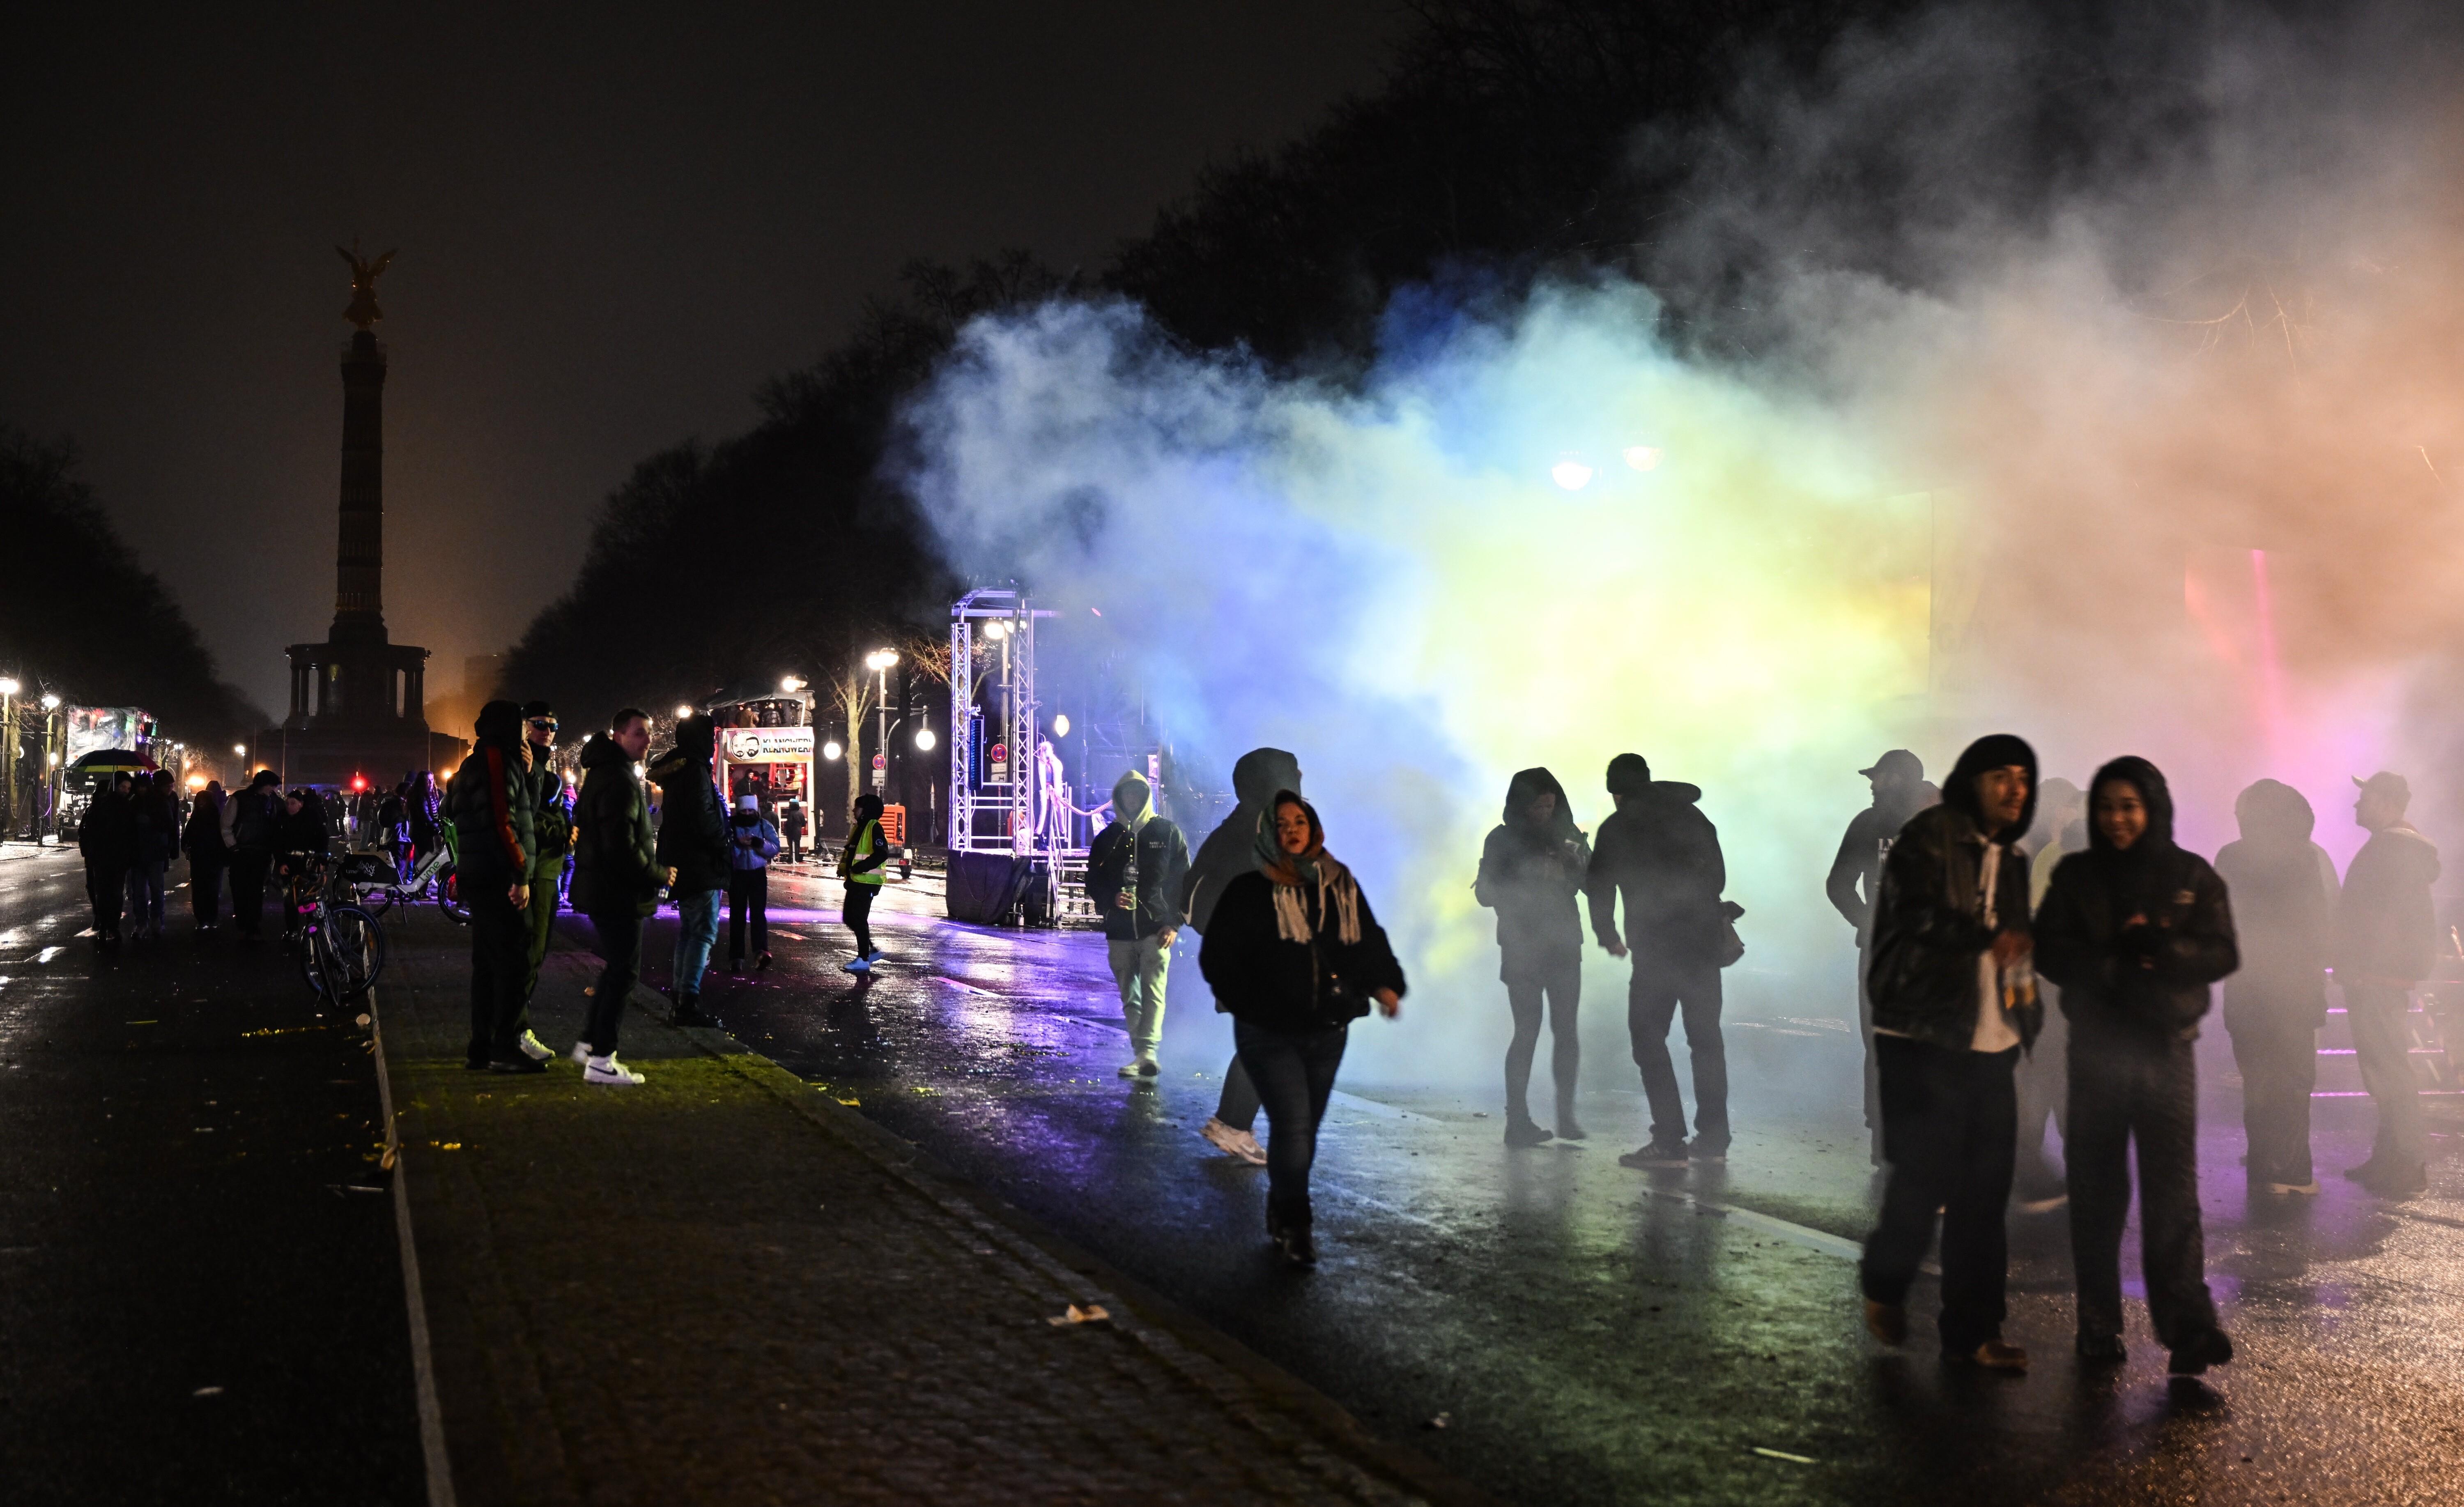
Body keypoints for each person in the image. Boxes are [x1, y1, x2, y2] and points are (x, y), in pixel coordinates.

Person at [2035, 757, 2238, 1376]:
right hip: (2097, 1051)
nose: (2117, 819)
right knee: (2097, 1193)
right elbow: (2049, 951)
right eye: (2107, 808)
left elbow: (2222, 951)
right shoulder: (2077, 876)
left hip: (2167, 1050)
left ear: (2153, 807)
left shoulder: (2191, 874)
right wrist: (2110, 963)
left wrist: (2166, 950)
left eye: (2129, 807)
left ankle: (2189, 1329)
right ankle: (2099, 1324)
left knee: (2173, 1194)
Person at [1858, 734, 2042, 1371]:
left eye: (2023, 777)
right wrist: (1985, 936)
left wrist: (2028, 1013)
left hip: (1993, 1042)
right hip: (1925, 1035)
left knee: (1985, 1194)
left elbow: (2018, 945)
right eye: (2001, 776)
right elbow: (1917, 914)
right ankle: (1886, 1280)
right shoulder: (1927, 838)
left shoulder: (2013, 857)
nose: (2015, 789)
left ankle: (1975, 1330)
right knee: (1926, 1176)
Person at [1198, 791, 1406, 1268]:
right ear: (1269, 835)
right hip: (1268, 1033)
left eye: (1299, 822)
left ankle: (1281, 1205)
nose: (1292, 830)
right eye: (1282, 824)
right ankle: (1297, 1225)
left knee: (1304, 1131)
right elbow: (1219, 958)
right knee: (1292, 1126)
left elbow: (1366, 940)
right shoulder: (1249, 890)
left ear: (1313, 828)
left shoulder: (1339, 883)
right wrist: (1251, 1004)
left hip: (1327, 1030)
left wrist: (1384, 985)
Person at [1588, 753, 1734, 1169]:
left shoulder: (1617, 828)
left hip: (1656, 950)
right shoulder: (1693, 817)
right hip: (1703, 946)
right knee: (1706, 1041)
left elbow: (1600, 886)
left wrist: (1608, 936)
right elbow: (1719, 879)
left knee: (1648, 1037)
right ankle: (1714, 1138)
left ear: (1617, 792)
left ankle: (1669, 1141)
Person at [1179, 747, 1306, 1167]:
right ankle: (1233, 1126)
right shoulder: (1266, 827)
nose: (1301, 778)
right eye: (1292, 773)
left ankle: (1234, 1124)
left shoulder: (1241, 824)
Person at [2214, 780, 2337, 1197]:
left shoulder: (2230, 857)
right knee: (2294, 1082)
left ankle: (2264, 1166)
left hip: (2245, 991)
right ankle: (2293, 1173)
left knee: (2258, 1081)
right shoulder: (2305, 857)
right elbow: (2319, 924)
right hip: (2295, 993)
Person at [1825, 749, 1935, 1167]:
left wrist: (1869, 924)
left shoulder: (1931, 823)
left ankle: (1891, 1138)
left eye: (1880, 777)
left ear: (1901, 779)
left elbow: (1838, 885)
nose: (1872, 785)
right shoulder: (1875, 823)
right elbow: (1838, 884)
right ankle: (1894, 1137)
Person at [2334, 770, 2440, 1199]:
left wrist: (2361, 966)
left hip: (2377, 978)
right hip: (2379, 976)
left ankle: (2409, 1165)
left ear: (2385, 802)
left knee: (2391, 1073)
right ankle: (2389, 1158)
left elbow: (2374, 919)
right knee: (2385, 1071)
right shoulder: (2397, 849)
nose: (2357, 805)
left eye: (2365, 798)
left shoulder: (2391, 850)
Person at [1476, 767, 1591, 1145]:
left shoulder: (1568, 836)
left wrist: (1575, 865)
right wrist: (1522, 881)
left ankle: (1566, 1117)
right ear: (1522, 806)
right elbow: (1484, 894)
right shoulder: (1502, 839)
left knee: (1566, 1031)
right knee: (1526, 1031)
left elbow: (1592, 884)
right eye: (1537, 807)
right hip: (1521, 945)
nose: (1544, 813)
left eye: (1550, 806)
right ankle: (1518, 1121)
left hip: (1564, 944)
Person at [445, 701, 544, 1071]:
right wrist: (520, 875)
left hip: (480, 873)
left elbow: (465, 813)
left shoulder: (474, 763)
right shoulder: (496, 762)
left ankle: (482, 1046)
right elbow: (504, 821)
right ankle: (505, 1044)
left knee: (487, 964)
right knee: (514, 963)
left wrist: (529, 773)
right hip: (500, 876)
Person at [568, 709, 657, 1086]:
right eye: (639, 733)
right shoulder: (619, 779)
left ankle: (590, 1043)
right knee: (624, 971)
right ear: (618, 736)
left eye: (648, 733)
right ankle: (602, 1059)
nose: (647, 740)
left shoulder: (604, 773)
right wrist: (657, 873)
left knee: (617, 967)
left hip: (603, 888)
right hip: (617, 891)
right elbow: (621, 845)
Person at [1086, 768, 1191, 1078]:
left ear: (1147, 796)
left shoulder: (1167, 833)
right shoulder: (1108, 838)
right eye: (1126, 793)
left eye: (1137, 792)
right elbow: (1093, 880)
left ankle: (1148, 1053)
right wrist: (1111, 899)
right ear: (1118, 798)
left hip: (1157, 928)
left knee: (1153, 990)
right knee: (1130, 995)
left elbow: (1183, 882)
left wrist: (1174, 923)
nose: (1132, 798)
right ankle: (1141, 1054)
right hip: (1119, 930)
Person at [2011, 775, 2085, 1209]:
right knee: (2053, 1079)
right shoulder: (2045, 854)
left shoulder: (2054, 855)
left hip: (2061, 990)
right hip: (2060, 990)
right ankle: (2045, 1173)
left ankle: (2039, 1172)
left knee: (2050, 1079)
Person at [650, 713, 728, 1024]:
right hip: (700, 863)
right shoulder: (695, 770)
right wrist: (723, 843)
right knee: (703, 933)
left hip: (683, 861)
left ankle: (680, 997)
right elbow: (703, 816)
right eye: (711, 738)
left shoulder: (678, 772)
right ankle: (687, 1003)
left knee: (689, 931)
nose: (713, 744)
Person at [520, 702, 570, 1002]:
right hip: (536, 869)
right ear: (525, 726)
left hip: (547, 867)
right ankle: (515, 1020)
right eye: (540, 724)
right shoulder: (526, 763)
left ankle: (515, 1017)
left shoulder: (541, 763)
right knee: (532, 951)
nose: (548, 731)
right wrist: (563, 831)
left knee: (537, 950)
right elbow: (524, 816)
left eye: (553, 726)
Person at [221, 769, 285, 940]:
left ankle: (253, 926)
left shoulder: (270, 801)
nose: (274, 790)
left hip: (260, 852)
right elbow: (226, 825)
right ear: (264, 785)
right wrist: (234, 847)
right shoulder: (239, 799)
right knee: (241, 890)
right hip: (242, 851)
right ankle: (245, 924)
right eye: (272, 786)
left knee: (256, 891)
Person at [78, 772, 137, 947]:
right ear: (115, 787)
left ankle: (113, 926)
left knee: (116, 893)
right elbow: (90, 831)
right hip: (103, 857)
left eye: (128, 788)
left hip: (119, 858)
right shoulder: (100, 807)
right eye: (123, 787)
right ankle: (104, 924)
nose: (125, 791)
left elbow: (131, 834)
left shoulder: (127, 808)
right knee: (103, 893)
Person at [726, 793, 781, 973]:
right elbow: (723, 848)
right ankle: (737, 957)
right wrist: (737, 844)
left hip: (758, 874)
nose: (748, 814)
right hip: (738, 874)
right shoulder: (730, 826)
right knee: (737, 916)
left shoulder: (764, 825)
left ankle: (761, 952)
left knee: (758, 914)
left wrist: (759, 843)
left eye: (751, 810)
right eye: (744, 811)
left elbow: (775, 847)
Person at [838, 792, 891, 973]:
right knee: (849, 918)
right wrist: (844, 869)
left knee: (859, 919)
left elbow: (882, 853)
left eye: (857, 807)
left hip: (867, 881)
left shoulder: (874, 827)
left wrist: (861, 867)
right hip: (855, 880)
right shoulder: (859, 827)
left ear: (866, 810)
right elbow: (851, 852)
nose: (854, 810)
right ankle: (870, 951)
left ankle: (863, 959)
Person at [124, 769, 178, 942]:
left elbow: (169, 824)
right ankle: (142, 922)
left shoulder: (160, 802)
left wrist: (150, 822)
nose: (142, 790)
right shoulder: (133, 803)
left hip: (155, 852)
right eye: (139, 787)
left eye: (144, 787)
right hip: (138, 853)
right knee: (139, 891)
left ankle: (156, 920)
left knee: (156, 889)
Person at [274, 788, 333, 944]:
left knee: (311, 897)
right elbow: (277, 842)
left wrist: (322, 861)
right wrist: (281, 862)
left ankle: (313, 927)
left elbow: (323, 839)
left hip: (309, 862)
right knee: (289, 898)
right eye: (287, 803)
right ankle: (292, 930)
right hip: (289, 862)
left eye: (293, 803)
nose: (289, 806)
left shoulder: (312, 817)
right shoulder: (282, 818)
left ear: (301, 804)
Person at [184, 780, 227, 930]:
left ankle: (206, 918)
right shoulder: (215, 818)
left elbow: (187, 838)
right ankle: (206, 918)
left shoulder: (205, 818)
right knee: (206, 889)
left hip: (206, 858)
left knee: (205, 889)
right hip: (207, 859)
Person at [779, 798, 807, 864]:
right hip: (798, 832)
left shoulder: (791, 813)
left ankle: (791, 858)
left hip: (791, 832)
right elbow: (804, 824)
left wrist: (786, 829)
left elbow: (789, 823)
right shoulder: (801, 813)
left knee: (791, 846)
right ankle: (796, 859)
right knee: (797, 846)